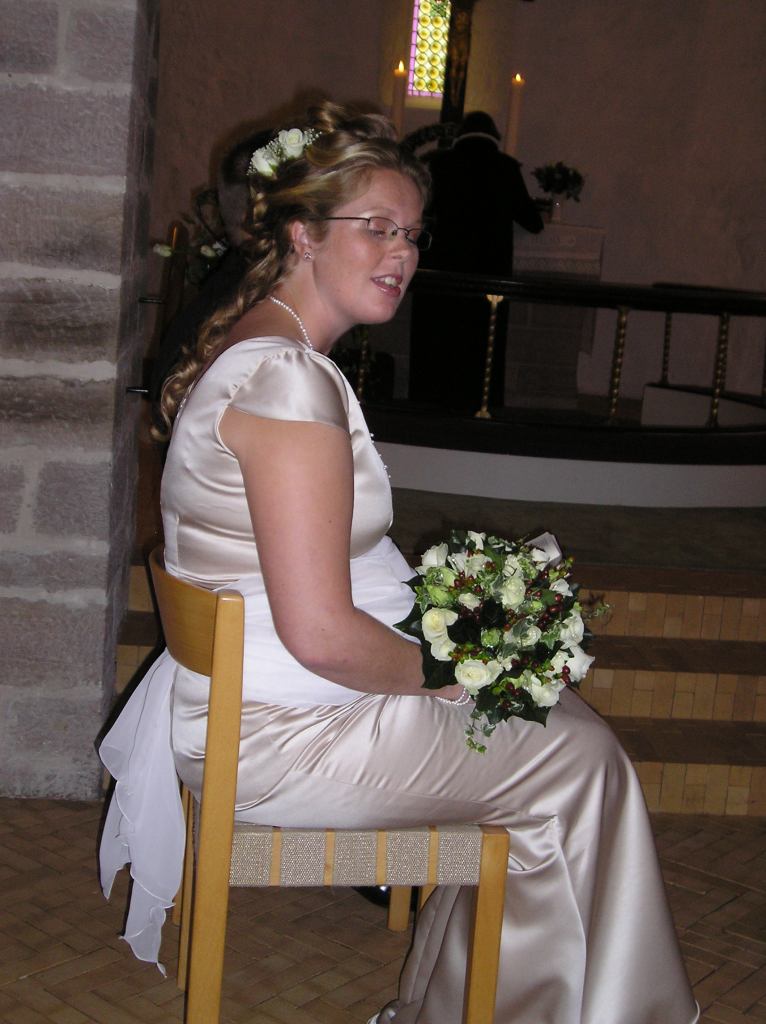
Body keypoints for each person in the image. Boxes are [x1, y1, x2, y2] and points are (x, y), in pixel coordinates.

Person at [99, 102, 698, 1024]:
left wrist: (472, 644)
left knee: (550, 736)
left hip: (258, 710)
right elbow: (321, 635)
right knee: (583, 763)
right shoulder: (287, 382)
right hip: (281, 734)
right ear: (302, 234)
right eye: (375, 227)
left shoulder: (262, 348)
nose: (402, 253)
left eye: (412, 233)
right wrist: (454, 673)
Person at [409, 111, 543, 411]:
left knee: (442, 339)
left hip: (445, 272)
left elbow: (421, 212)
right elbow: (533, 222)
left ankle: (434, 402)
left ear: (461, 135)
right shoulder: (506, 167)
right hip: (489, 273)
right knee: (483, 343)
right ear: (493, 136)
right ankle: (481, 404)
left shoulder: (440, 164)